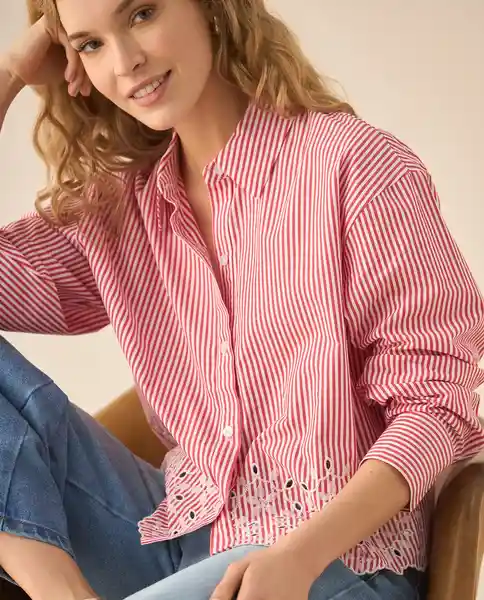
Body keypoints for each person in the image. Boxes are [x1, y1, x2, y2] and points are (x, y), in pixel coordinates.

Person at [0, 0, 483, 598]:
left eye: (142, 14)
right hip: (183, 544)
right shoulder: (120, 209)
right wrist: (12, 72)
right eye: (91, 44)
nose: (125, 62)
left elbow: (436, 406)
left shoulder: (354, 168)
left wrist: (300, 556)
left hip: (332, 564)